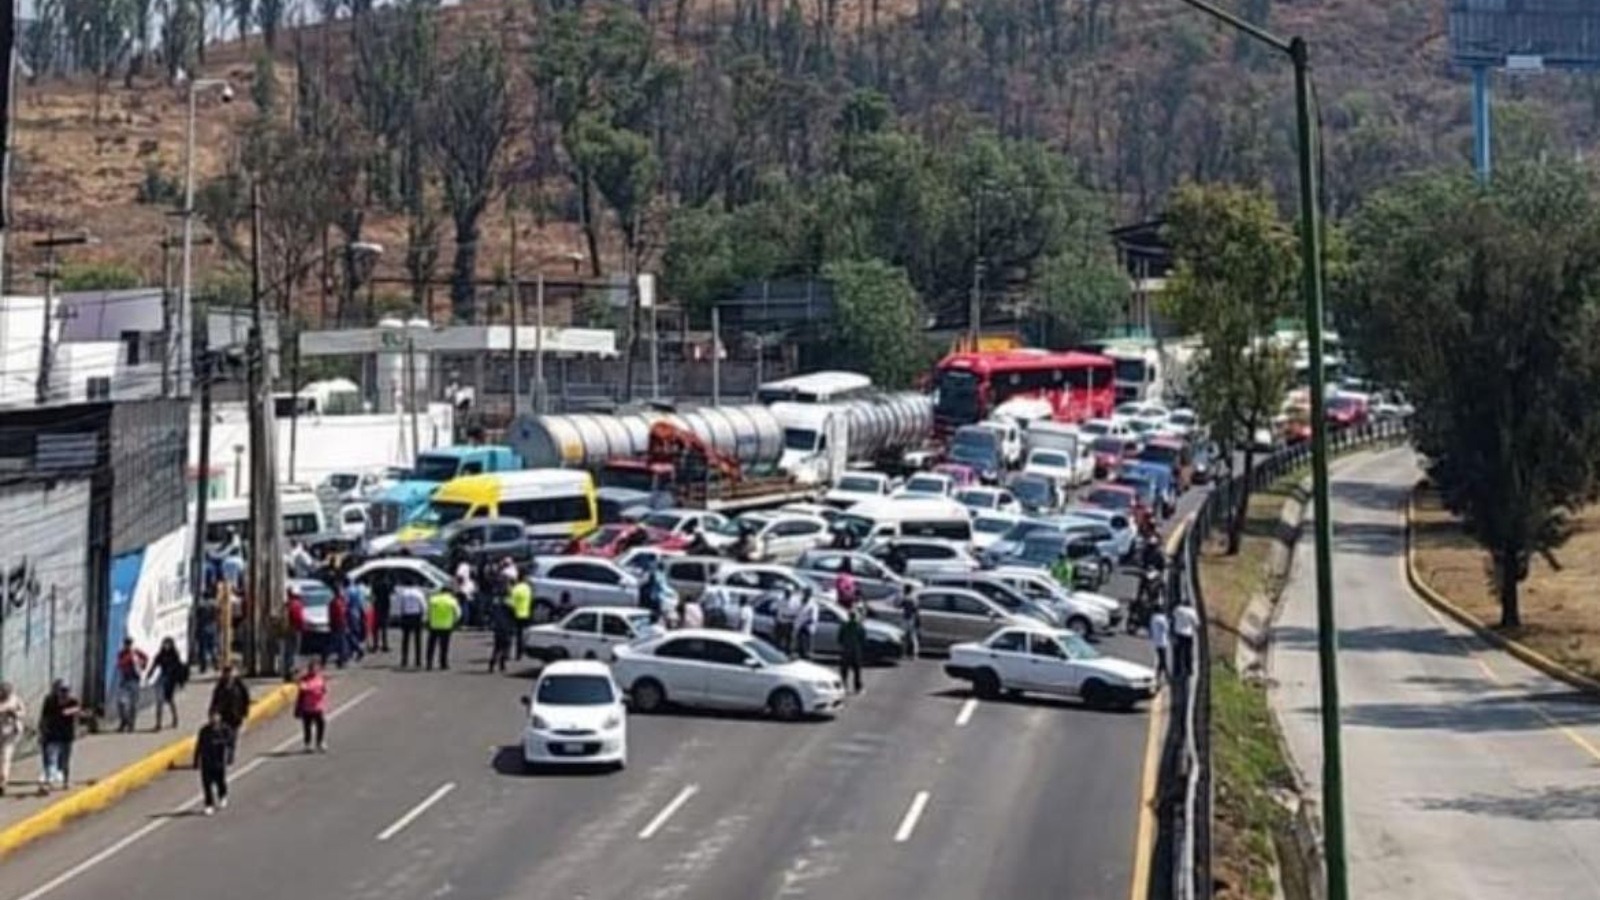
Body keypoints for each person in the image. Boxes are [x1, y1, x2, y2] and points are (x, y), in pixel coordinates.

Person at [38, 680, 80, 789]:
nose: (64, 693)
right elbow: (44, 716)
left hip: (66, 735)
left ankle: (66, 781)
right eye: (61, 690)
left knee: (65, 760)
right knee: (51, 759)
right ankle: (49, 782)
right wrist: (42, 731)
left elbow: (78, 710)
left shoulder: (72, 701)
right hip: (52, 734)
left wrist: (71, 711)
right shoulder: (50, 700)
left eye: (66, 691)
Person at [208, 666, 251, 764]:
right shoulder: (220, 686)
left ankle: (230, 754)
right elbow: (215, 700)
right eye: (225, 673)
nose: (228, 675)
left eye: (229, 673)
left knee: (233, 736)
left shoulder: (239, 685)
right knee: (224, 735)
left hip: (236, 715)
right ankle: (224, 753)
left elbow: (246, 699)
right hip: (224, 715)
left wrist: (245, 713)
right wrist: (212, 712)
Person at [194, 710, 233, 815]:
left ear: (219, 717)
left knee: (220, 781)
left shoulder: (224, 729)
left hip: (218, 761)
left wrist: (228, 756)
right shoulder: (204, 731)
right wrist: (196, 760)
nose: (214, 719)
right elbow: (199, 745)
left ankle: (222, 795)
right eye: (212, 717)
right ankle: (209, 804)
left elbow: (230, 743)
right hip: (206, 761)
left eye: (216, 716)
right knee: (206, 784)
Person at [151, 637, 188, 731]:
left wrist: (180, 682)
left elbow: (179, 669)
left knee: (170, 700)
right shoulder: (160, 655)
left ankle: (175, 718)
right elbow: (154, 665)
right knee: (159, 702)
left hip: (171, 681)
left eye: (168, 644)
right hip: (162, 679)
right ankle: (158, 723)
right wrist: (150, 674)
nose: (166, 646)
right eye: (165, 644)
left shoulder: (174, 656)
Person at [113, 638, 148, 733]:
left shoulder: (136, 652)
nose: (128, 646)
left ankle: (131, 725)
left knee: (133, 704)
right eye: (126, 644)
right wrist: (129, 657)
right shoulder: (122, 653)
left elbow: (145, 658)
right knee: (121, 703)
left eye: (129, 644)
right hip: (125, 680)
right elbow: (120, 664)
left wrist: (142, 665)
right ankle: (124, 721)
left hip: (135, 680)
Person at [425, 587, 462, 671]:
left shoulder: (433, 599)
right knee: (444, 646)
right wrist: (454, 621)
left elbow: (428, 612)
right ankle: (443, 663)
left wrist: (428, 621)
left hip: (434, 624)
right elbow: (458, 613)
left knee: (431, 645)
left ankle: (429, 663)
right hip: (446, 625)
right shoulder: (452, 601)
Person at [296, 663, 329, 753]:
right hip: (307, 707)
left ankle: (320, 742)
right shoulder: (304, 679)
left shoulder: (320, 678)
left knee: (321, 724)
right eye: (312, 669)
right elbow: (302, 688)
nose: (313, 670)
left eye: (315, 668)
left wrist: (319, 691)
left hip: (318, 706)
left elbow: (324, 689)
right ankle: (307, 743)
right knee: (307, 726)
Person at [0, 682, 24, 797]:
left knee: (6, 758)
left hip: (11, 733)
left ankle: (3, 782)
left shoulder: (15, 699)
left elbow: (22, 712)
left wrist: (15, 713)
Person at [395, 582, 427, 668]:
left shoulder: (404, 593)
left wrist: (401, 615)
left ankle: (404, 660)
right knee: (418, 639)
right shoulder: (418, 593)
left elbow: (401, 605)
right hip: (416, 616)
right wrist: (423, 615)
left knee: (405, 639)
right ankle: (418, 660)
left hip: (406, 616)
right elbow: (423, 605)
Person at [838, 604, 866, 694]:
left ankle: (844, 686)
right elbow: (863, 640)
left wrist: (844, 645)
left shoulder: (844, 626)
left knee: (844, 671)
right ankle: (857, 687)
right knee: (857, 671)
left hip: (846, 651)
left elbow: (839, 638)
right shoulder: (860, 627)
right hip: (856, 652)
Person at [193, 585, 221, 674]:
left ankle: (203, 667)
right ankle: (216, 664)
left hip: (203, 628)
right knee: (213, 647)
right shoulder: (215, 604)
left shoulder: (201, 605)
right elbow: (218, 614)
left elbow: (197, 617)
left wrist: (196, 630)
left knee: (203, 649)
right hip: (212, 627)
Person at [508, 576, 534, 659]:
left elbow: (510, 602)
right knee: (521, 635)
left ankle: (508, 653)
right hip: (525, 613)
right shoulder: (528, 588)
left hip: (515, 614)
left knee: (512, 635)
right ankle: (519, 653)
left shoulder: (516, 589)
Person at [1172, 600, 1199, 679]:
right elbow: (1197, 624)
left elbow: (1173, 616)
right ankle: (1189, 670)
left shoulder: (1178, 609)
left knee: (1177, 653)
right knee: (1188, 653)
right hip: (1188, 634)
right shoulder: (1192, 612)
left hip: (1178, 634)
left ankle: (1177, 671)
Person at [488, 595, 514, 673]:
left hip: (498, 630)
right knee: (506, 647)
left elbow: (491, 615)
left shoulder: (496, 609)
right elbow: (513, 619)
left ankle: (492, 663)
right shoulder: (510, 610)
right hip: (506, 630)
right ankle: (502, 664)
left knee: (497, 648)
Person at [344, 578, 368, 664]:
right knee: (355, 633)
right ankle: (352, 652)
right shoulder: (356, 590)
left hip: (350, 614)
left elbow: (346, 604)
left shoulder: (346, 591)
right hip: (357, 613)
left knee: (350, 634)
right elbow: (361, 602)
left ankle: (358, 650)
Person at [370, 571, 394, 653]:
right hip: (385, 607)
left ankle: (375, 645)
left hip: (377, 606)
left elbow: (372, 594)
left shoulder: (375, 584)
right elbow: (392, 591)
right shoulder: (387, 584)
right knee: (384, 628)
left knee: (376, 627)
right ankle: (385, 645)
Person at [285, 588, 307, 671]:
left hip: (290, 628)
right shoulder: (298, 604)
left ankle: (289, 665)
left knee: (289, 648)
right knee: (296, 648)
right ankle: (294, 666)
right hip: (297, 628)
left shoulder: (288, 604)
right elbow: (300, 618)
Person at [327, 588, 350, 668]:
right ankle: (341, 660)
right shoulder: (338, 602)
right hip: (339, 624)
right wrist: (344, 624)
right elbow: (341, 615)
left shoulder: (335, 602)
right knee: (340, 643)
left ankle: (341, 660)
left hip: (337, 624)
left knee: (340, 643)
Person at [1148, 607, 1172, 682]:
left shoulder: (1153, 618)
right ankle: (1165, 676)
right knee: (1163, 659)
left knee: (1161, 659)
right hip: (1163, 641)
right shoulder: (1163, 619)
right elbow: (1166, 629)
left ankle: (1160, 675)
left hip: (1156, 641)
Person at [898, 584, 920, 660]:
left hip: (907, 619)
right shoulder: (914, 598)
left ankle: (904, 653)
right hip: (911, 618)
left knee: (905, 637)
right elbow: (916, 609)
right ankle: (914, 654)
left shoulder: (907, 598)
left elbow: (900, 605)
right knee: (912, 637)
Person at [797, 588, 820, 660]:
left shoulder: (813, 604)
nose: (805, 595)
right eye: (804, 593)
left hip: (807, 629)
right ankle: (801, 657)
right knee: (800, 647)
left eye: (807, 594)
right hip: (799, 627)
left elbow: (813, 618)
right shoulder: (801, 602)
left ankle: (807, 657)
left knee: (807, 647)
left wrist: (804, 624)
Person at [776, 587, 800, 652]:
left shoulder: (796, 601)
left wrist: (789, 617)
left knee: (789, 640)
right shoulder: (780, 599)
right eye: (786, 591)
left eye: (789, 592)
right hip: (780, 623)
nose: (787, 593)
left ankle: (788, 652)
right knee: (778, 640)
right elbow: (777, 610)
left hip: (789, 623)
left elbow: (798, 612)